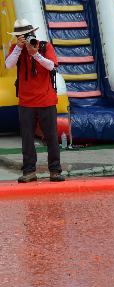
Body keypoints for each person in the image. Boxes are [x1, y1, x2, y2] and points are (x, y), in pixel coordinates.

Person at [5, 18, 63, 182]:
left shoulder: (44, 46)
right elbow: (8, 65)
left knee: (51, 136)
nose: (27, 37)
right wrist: (18, 47)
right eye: (22, 36)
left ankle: (55, 170)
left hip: (46, 99)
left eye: (28, 34)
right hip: (26, 101)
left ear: (34, 33)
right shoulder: (16, 49)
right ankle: (29, 171)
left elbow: (52, 66)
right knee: (27, 138)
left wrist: (35, 54)